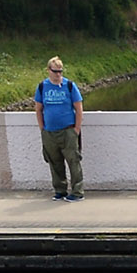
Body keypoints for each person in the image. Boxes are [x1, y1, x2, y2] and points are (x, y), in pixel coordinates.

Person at [34, 57, 84, 202]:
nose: (58, 74)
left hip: (68, 130)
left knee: (73, 161)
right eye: (55, 71)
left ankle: (77, 191)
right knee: (55, 162)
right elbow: (38, 109)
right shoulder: (42, 87)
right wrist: (42, 128)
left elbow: (79, 108)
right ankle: (60, 190)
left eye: (60, 71)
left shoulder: (69, 85)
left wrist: (76, 129)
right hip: (49, 132)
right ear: (49, 70)